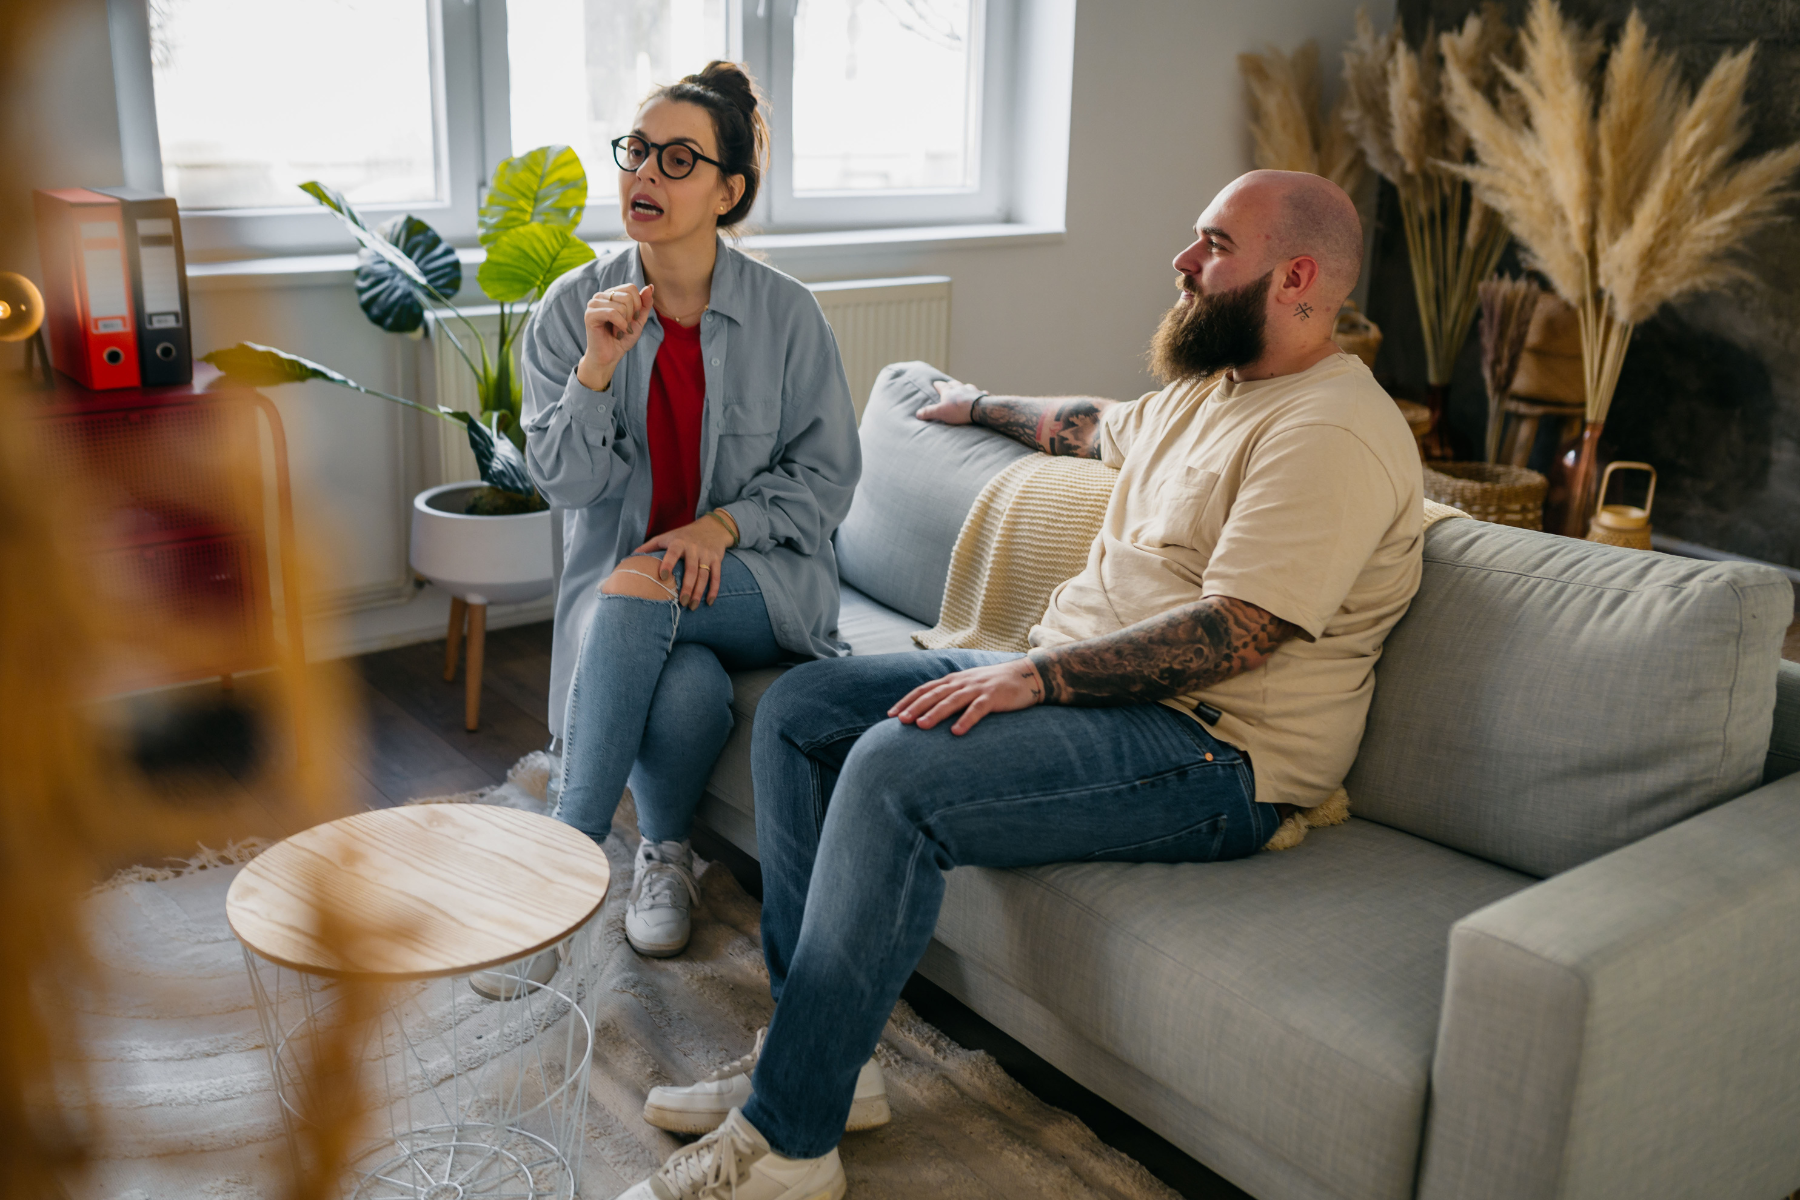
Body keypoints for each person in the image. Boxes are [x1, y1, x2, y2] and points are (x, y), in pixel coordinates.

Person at [618, 169, 1427, 1200]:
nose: (1182, 263)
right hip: (1078, 684)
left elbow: (1238, 633)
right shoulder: (1214, 387)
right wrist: (970, 406)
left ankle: (788, 1140)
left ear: (1297, 275)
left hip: (1210, 747)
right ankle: (825, 1062)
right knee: (802, 712)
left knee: (895, 770)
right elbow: (1094, 424)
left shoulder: (1331, 433)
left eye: (1214, 245)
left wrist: (1035, 678)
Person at [520, 61, 859, 961]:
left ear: (728, 190)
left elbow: (827, 477)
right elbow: (559, 481)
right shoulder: (569, 312)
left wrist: (721, 527)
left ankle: (559, 869)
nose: (644, 176)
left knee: (642, 586)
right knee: (687, 689)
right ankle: (665, 856)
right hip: (640, 597)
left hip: (764, 584)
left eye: (678, 160)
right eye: (637, 152)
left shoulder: (789, 316)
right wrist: (595, 370)